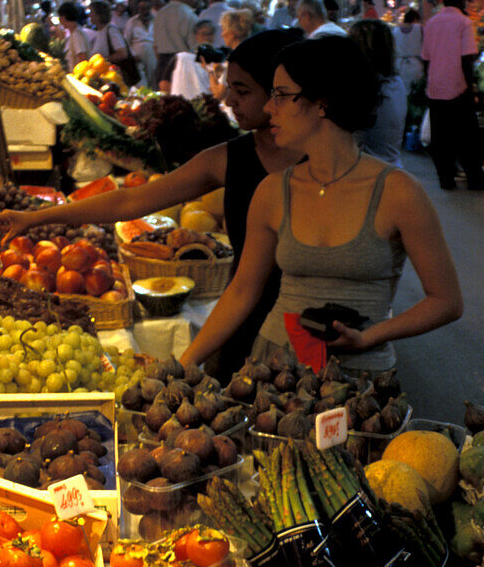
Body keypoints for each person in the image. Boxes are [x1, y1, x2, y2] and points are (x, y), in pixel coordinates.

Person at [0, 29, 304, 383]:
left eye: (242, 91)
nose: (228, 100)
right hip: (242, 324)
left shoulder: (327, 169)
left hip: (312, 331)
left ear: (281, 93)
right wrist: (35, 218)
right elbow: (131, 200)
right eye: (230, 87)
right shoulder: (231, 159)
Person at [180, 36, 463, 375]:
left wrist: (370, 335)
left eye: (281, 95)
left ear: (322, 103)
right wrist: (184, 363)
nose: (270, 107)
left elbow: (446, 301)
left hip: (362, 381)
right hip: (275, 373)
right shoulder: (273, 192)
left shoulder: (397, 193)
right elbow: (242, 292)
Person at [421, 0, 484, 191]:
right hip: (458, 87)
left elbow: (426, 58)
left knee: (441, 136)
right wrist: (471, 87)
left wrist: (429, 82)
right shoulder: (464, 23)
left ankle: (446, 179)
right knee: (466, 135)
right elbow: (467, 58)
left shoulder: (431, 23)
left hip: (436, 87)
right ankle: (474, 179)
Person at [349, 19, 407, 166]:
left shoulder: (366, 87)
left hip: (368, 172)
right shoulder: (394, 82)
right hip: (392, 166)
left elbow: (354, 139)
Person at [153, 0, 197, 86]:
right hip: (182, 63)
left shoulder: (160, 14)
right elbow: (194, 45)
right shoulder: (189, 15)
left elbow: (155, 45)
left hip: (162, 63)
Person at [159, 20, 217, 98]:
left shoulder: (219, 60)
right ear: (196, 36)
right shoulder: (181, 58)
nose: (206, 37)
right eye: (203, 34)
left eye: (210, 34)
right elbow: (164, 84)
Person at [88, 0, 130, 69]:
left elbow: (123, 54)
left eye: (91, 12)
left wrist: (102, 61)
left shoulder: (111, 30)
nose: (89, 15)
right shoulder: (98, 31)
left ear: (99, 15)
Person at [125, 0, 157, 87]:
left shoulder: (157, 20)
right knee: (141, 83)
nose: (145, 11)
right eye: (142, 9)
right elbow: (126, 41)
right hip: (137, 56)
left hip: (153, 55)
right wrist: (133, 55)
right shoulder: (131, 22)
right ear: (138, 9)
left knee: (154, 80)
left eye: (147, 8)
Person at [57, 1, 92, 71]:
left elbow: (82, 59)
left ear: (63, 17)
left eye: (60, 17)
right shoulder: (74, 33)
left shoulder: (77, 35)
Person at [393, 8, 423, 89]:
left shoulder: (395, 30)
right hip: (415, 65)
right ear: (415, 19)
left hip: (399, 65)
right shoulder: (419, 28)